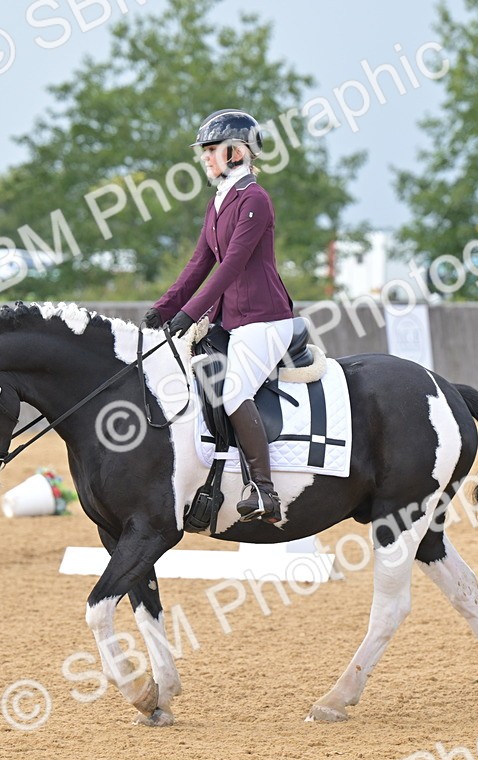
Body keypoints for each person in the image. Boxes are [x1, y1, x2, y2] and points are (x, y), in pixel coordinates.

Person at [144, 109, 294, 525]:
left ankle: (264, 490)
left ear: (235, 151)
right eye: (205, 151)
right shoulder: (219, 200)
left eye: (211, 150)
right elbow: (199, 262)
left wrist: (189, 314)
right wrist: (164, 308)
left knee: (232, 393)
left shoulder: (254, 199)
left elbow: (229, 265)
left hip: (264, 319)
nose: (205, 158)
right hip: (231, 321)